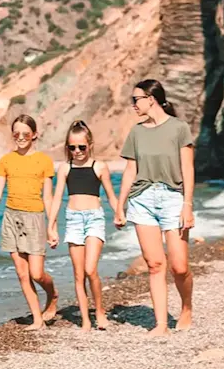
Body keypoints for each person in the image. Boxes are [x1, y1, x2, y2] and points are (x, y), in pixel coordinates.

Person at [115, 79, 196, 337]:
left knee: (179, 266)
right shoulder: (136, 132)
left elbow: (188, 169)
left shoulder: (179, 128)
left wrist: (187, 205)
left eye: (136, 99)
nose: (133, 105)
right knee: (155, 264)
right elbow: (130, 170)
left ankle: (186, 308)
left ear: (151, 99)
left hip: (173, 197)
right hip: (142, 199)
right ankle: (161, 325)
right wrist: (119, 205)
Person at [0, 115, 59, 331]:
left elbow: (48, 198)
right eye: (16, 134)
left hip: (35, 218)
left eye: (25, 134)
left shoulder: (44, 161)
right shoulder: (6, 161)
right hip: (11, 218)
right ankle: (37, 319)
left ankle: (52, 294)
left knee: (37, 273)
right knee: (22, 273)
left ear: (34, 135)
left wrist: (52, 227)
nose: (21, 137)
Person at [48, 120, 123, 331]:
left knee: (90, 269)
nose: (77, 151)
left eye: (81, 147)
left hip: (94, 219)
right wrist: (51, 226)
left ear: (90, 145)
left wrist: (119, 213)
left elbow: (111, 195)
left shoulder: (99, 167)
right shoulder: (65, 168)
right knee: (78, 274)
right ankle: (85, 320)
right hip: (73, 220)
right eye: (72, 147)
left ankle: (99, 311)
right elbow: (56, 198)